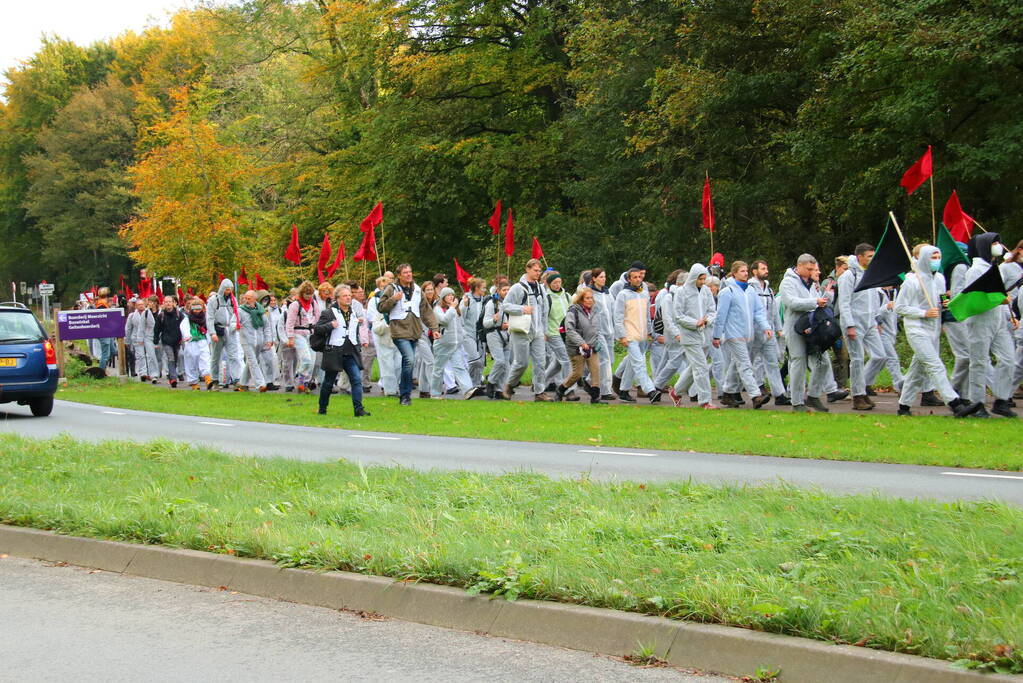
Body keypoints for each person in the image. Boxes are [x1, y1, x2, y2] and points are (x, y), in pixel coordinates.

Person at [895, 245, 983, 417]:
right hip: (916, 329)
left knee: (917, 369)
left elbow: (942, 297)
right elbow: (899, 307)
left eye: (938, 257)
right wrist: (923, 313)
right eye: (933, 257)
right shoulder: (912, 281)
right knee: (935, 365)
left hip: (933, 329)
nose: (936, 261)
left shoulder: (940, 278)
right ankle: (955, 403)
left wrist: (945, 303)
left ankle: (903, 406)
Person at [964, 233, 1017, 418]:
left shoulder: (995, 267)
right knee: (978, 362)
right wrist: (998, 301)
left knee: (1009, 359)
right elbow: (973, 297)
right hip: (980, 321)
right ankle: (976, 403)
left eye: (999, 243)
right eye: (994, 243)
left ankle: (1001, 400)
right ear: (986, 245)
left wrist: (1008, 314)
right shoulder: (975, 270)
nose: (999, 246)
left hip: (998, 322)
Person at [377, 264, 440, 406]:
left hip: (414, 330)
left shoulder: (417, 290)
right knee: (409, 359)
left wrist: (434, 328)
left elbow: (426, 311)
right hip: (399, 330)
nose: (408, 275)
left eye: (410, 272)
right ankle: (405, 394)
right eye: (405, 273)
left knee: (409, 363)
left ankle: (404, 393)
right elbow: (381, 307)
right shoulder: (391, 288)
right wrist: (393, 299)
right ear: (399, 275)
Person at [712, 261, 771, 409]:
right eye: (742, 271)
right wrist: (717, 336)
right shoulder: (727, 292)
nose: (746, 273)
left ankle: (727, 393)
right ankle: (755, 395)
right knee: (745, 365)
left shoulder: (750, 291)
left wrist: (766, 327)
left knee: (735, 364)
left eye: (746, 271)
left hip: (748, 334)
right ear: (734, 273)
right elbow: (721, 316)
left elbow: (758, 311)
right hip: (734, 335)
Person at [780, 255, 834, 413]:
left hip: (812, 328)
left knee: (822, 362)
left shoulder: (812, 283)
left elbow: (815, 302)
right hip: (794, 328)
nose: (811, 272)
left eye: (813, 269)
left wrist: (823, 300)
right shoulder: (788, 282)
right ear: (800, 266)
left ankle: (813, 395)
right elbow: (791, 303)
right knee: (798, 362)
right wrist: (815, 302)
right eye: (809, 269)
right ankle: (797, 402)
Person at [837, 244, 886, 410]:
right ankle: (858, 397)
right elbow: (844, 303)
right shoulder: (848, 276)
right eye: (869, 256)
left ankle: (862, 387)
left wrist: (876, 320)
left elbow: (873, 299)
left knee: (880, 356)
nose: (872, 259)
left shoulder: (869, 274)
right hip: (854, 323)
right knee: (857, 359)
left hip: (870, 322)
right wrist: (849, 325)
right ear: (860, 257)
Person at [312, 284, 370, 417]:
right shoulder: (329, 312)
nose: (348, 298)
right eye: (345, 296)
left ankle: (358, 409)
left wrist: (358, 329)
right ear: (338, 298)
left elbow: (353, 330)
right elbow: (318, 329)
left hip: (350, 351)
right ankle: (322, 408)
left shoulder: (353, 311)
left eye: (349, 295)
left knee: (356, 379)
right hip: (334, 351)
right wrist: (330, 325)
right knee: (328, 381)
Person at [501, 258, 552, 401]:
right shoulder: (517, 288)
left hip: (538, 331)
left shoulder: (541, 288)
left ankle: (539, 392)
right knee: (521, 363)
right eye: (535, 270)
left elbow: (544, 311)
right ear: (527, 269)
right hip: (521, 330)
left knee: (540, 362)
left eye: (539, 271)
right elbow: (505, 306)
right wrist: (522, 309)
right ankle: (509, 385)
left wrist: (544, 330)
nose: (538, 273)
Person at [668, 264, 718, 409]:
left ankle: (676, 392)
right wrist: (695, 323)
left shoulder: (706, 291)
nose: (703, 282)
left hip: (704, 334)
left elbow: (712, 310)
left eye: (704, 278)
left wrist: (707, 320)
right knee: (701, 367)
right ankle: (705, 401)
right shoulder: (682, 292)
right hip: (689, 336)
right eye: (700, 279)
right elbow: (678, 316)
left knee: (695, 366)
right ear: (693, 277)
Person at [613, 267, 661, 403]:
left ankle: (623, 391)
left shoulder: (644, 294)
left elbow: (647, 315)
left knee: (632, 363)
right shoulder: (623, 295)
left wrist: (649, 331)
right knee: (639, 364)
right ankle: (651, 391)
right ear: (629, 279)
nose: (638, 279)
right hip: (630, 335)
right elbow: (618, 317)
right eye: (635, 277)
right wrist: (622, 335)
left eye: (640, 277)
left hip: (642, 334)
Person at [748, 260, 789, 405]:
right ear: (754, 271)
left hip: (769, 332)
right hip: (754, 332)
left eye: (766, 268)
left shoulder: (769, 290)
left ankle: (779, 394)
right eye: (763, 268)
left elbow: (774, 312)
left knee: (772, 362)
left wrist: (778, 328)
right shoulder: (750, 288)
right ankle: (732, 390)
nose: (766, 271)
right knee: (748, 361)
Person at [557, 286, 605, 404]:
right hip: (576, 348)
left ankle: (595, 398)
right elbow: (570, 330)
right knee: (577, 373)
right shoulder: (573, 311)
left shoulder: (595, 310)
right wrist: (581, 343)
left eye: (591, 298)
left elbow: (596, 328)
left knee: (596, 370)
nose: (590, 300)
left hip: (592, 346)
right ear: (580, 299)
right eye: (587, 298)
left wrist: (596, 341)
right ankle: (561, 389)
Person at [431, 287, 478, 399]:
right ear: (443, 297)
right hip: (442, 344)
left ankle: (467, 390)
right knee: (438, 369)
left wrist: (464, 336)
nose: (451, 297)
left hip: (455, 344)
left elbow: (460, 324)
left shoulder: (455, 309)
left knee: (459, 366)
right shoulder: (438, 309)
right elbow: (444, 320)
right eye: (448, 295)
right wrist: (452, 308)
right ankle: (435, 393)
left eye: (452, 294)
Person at [584, 268, 617, 401]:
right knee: (605, 360)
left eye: (604, 277)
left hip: (609, 330)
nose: (603, 279)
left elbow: (613, 311)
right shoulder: (590, 293)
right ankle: (605, 391)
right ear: (594, 278)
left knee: (611, 360)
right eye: (601, 277)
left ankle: (588, 380)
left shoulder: (607, 293)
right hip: (597, 331)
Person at [206, 278, 243, 390]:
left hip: (230, 330)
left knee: (233, 355)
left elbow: (236, 314)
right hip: (218, 330)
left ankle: (236, 379)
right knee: (216, 357)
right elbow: (210, 318)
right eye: (227, 289)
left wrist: (235, 324)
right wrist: (212, 333)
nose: (228, 291)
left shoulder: (233, 300)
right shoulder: (214, 300)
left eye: (230, 289)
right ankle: (215, 380)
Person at [543, 271, 575, 398]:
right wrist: (544, 332)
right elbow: (543, 316)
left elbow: (572, 313)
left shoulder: (567, 296)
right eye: (554, 283)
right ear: (549, 284)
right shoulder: (547, 298)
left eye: (559, 282)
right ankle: (569, 389)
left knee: (557, 363)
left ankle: (540, 382)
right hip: (553, 333)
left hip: (566, 333)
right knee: (567, 360)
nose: (557, 285)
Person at [285, 280, 321, 394]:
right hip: (298, 333)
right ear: (302, 293)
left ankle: (304, 383)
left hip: (311, 333)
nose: (308, 296)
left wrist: (315, 328)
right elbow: (289, 322)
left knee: (313, 361)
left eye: (310, 294)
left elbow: (318, 317)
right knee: (306, 359)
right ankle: (300, 377)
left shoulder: (314, 303)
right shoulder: (295, 305)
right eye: (306, 294)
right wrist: (290, 338)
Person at [367, 273, 400, 397]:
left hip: (398, 337)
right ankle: (390, 390)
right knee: (387, 365)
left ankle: (394, 386)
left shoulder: (398, 301)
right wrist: (386, 323)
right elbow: (373, 320)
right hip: (383, 337)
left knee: (398, 364)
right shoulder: (375, 300)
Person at [482, 280, 510, 399]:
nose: (507, 292)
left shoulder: (510, 303)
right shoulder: (491, 304)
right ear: (498, 291)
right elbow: (485, 323)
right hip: (493, 334)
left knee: (506, 365)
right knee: (500, 361)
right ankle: (491, 382)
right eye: (504, 290)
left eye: (509, 290)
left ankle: (500, 390)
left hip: (507, 335)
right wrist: (494, 320)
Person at [237, 289, 269, 392]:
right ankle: (260, 384)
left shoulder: (261, 310)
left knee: (252, 362)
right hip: (246, 340)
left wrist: (268, 339)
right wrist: (236, 326)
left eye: (249, 298)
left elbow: (266, 326)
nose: (246, 300)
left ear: (255, 299)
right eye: (245, 298)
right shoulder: (240, 310)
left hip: (259, 340)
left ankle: (243, 383)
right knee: (253, 361)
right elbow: (233, 322)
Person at [179, 298, 213, 390]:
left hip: (202, 340)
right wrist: (187, 335)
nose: (197, 311)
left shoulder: (205, 318)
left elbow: (209, 328)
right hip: (191, 342)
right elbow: (184, 327)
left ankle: (207, 378)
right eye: (195, 309)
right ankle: (193, 382)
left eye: (199, 309)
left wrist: (210, 338)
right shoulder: (187, 319)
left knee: (205, 358)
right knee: (191, 361)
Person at [460, 277, 488, 391]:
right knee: (474, 359)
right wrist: (465, 306)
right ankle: (468, 381)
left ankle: (476, 385)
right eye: (483, 288)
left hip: (481, 335)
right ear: (476, 288)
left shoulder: (485, 300)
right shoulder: (467, 299)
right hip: (468, 334)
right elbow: (460, 316)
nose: (485, 290)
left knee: (480, 362)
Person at [153, 295, 184, 388]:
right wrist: (155, 340)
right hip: (166, 341)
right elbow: (157, 329)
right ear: (163, 303)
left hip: (177, 340)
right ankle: (173, 378)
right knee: (170, 358)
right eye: (166, 302)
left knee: (176, 357)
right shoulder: (161, 316)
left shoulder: (179, 315)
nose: (168, 304)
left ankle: (172, 375)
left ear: (173, 303)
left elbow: (184, 326)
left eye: (170, 302)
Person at [125, 299, 157, 382]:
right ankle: (143, 373)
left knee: (150, 355)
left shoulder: (148, 313)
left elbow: (152, 325)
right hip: (136, 338)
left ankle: (152, 374)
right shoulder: (132, 316)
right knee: (140, 356)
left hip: (147, 337)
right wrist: (127, 341)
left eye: (142, 304)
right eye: (139, 304)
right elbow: (128, 329)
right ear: (136, 306)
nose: (141, 306)